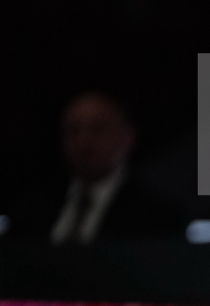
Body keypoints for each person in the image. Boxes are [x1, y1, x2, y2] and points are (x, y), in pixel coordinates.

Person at [5, 91, 184, 245]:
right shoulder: (33, 210)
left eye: (97, 129)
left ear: (127, 137)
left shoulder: (155, 216)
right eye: (74, 130)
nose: (83, 142)